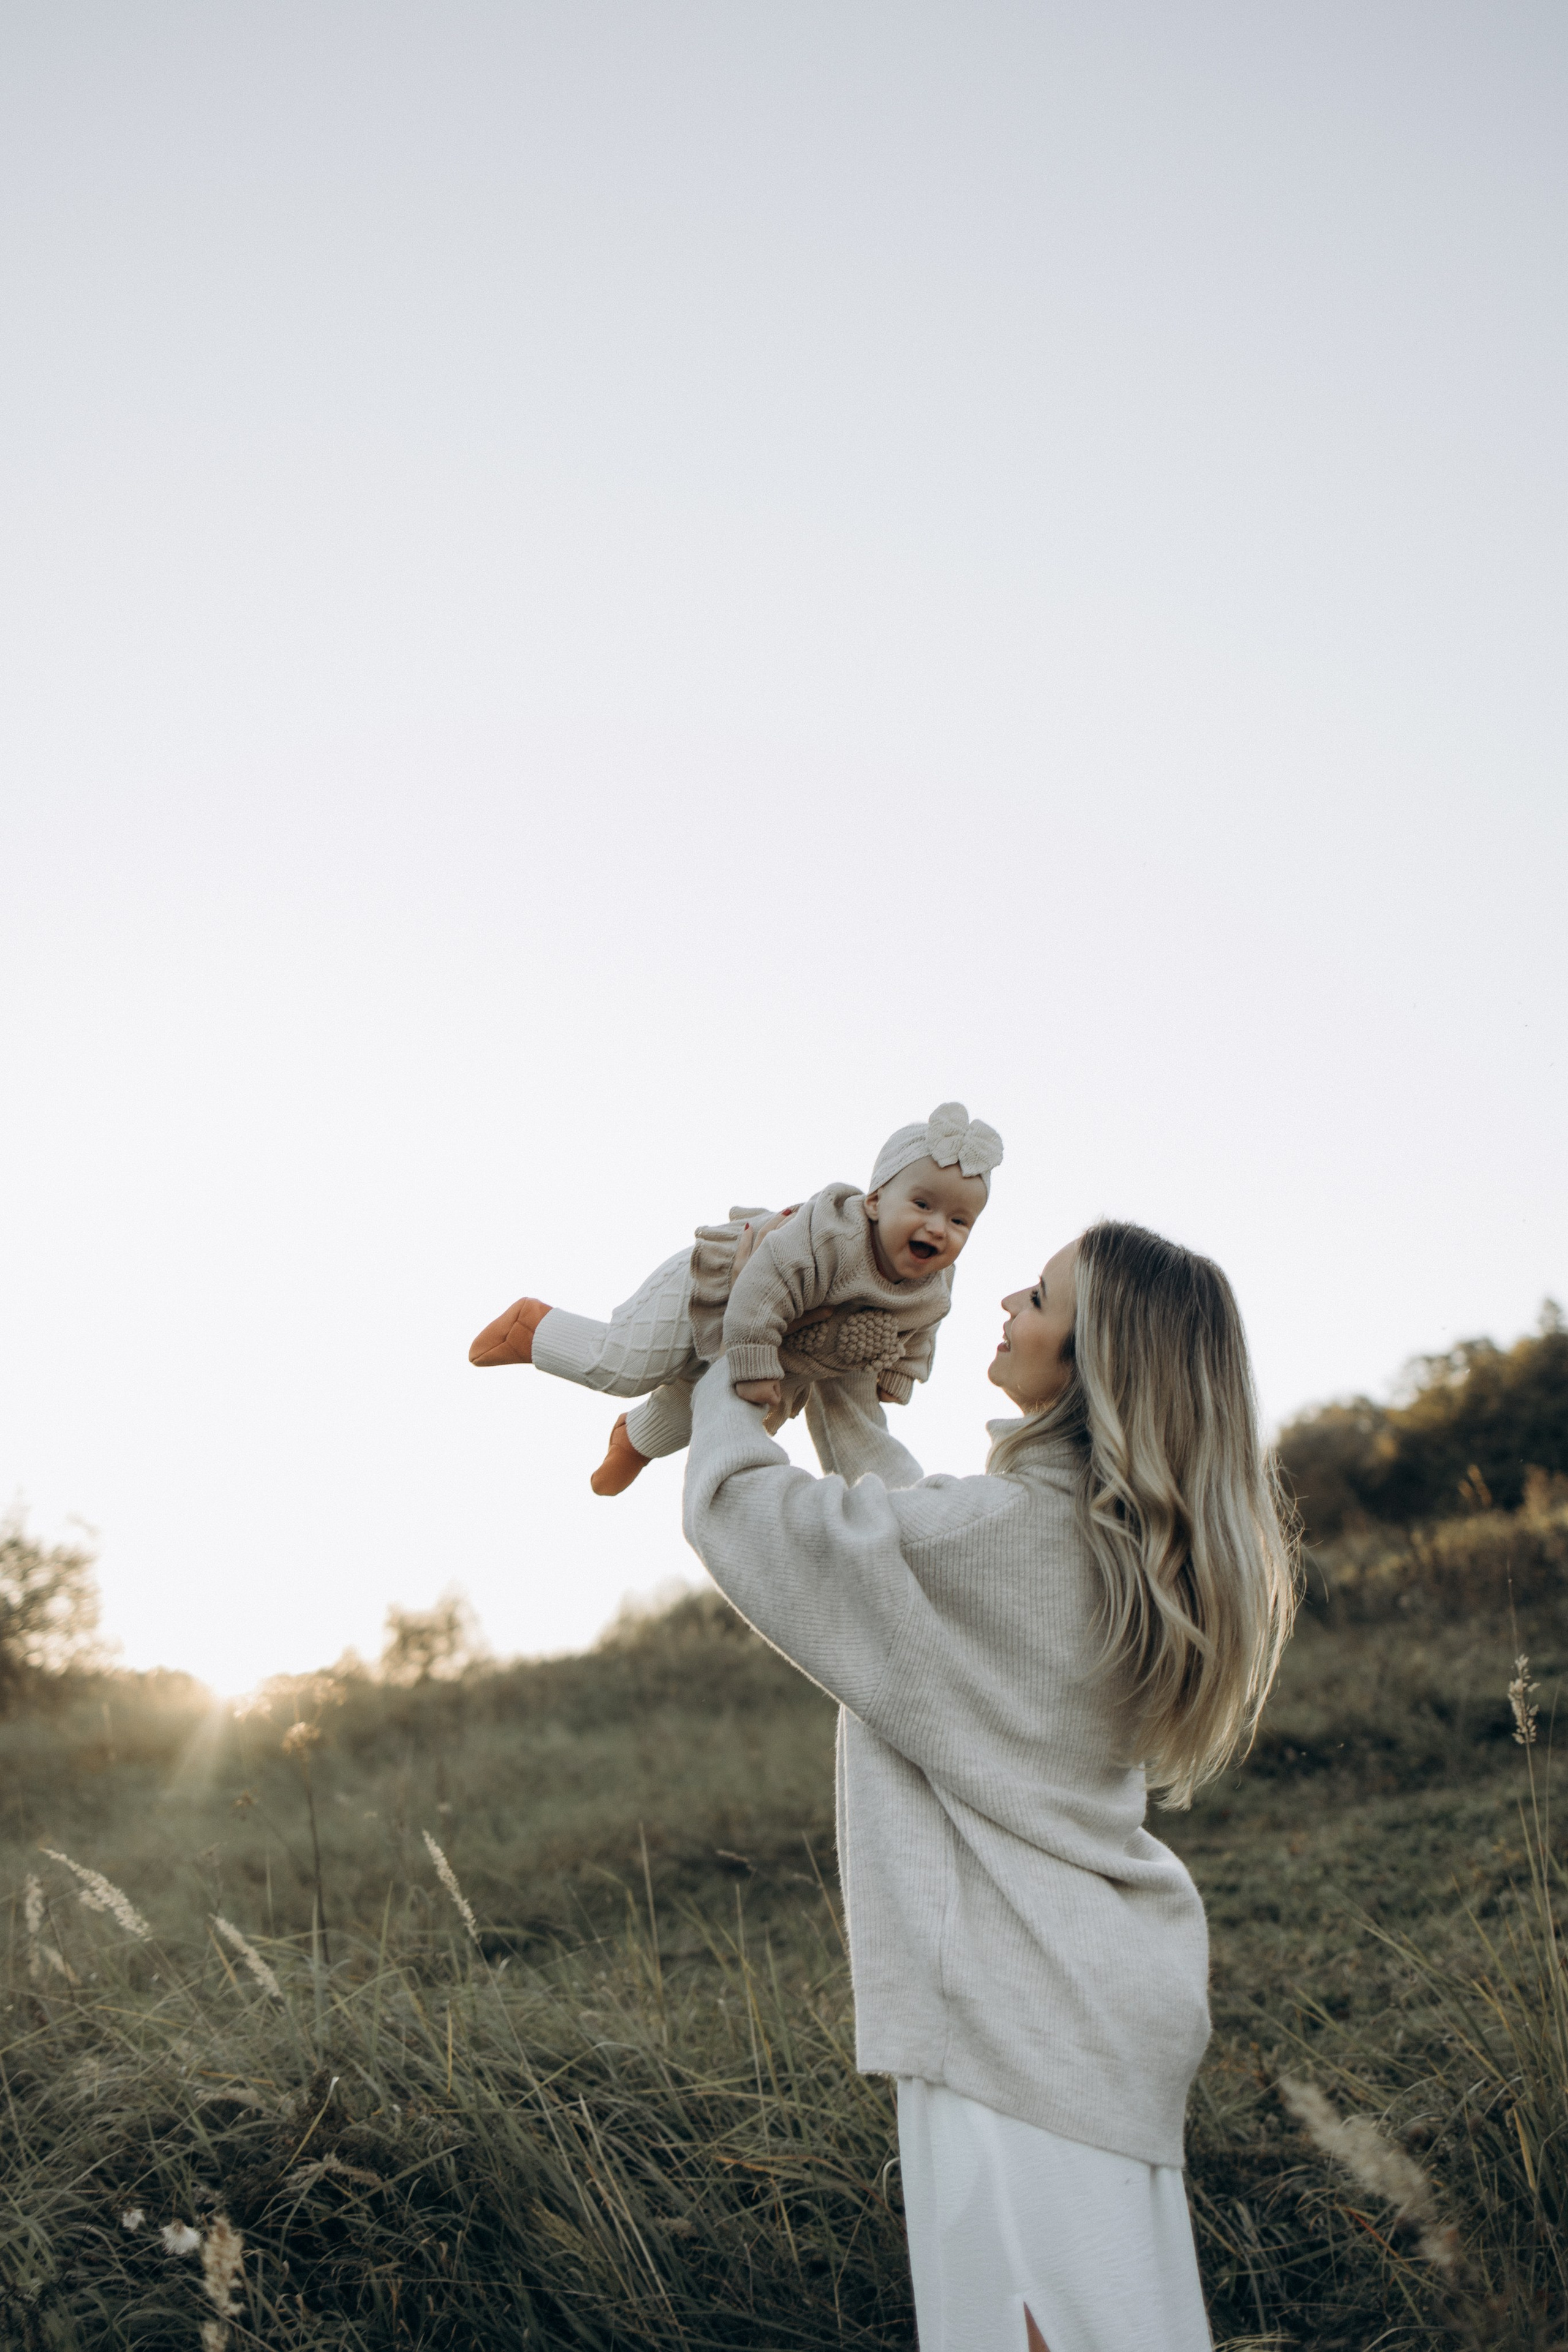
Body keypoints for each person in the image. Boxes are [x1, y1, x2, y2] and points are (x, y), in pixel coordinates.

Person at [682, 1219, 1298, 2352]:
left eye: (1044, 1296)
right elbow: (922, 1534)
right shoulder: (1102, 1537)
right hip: (1091, 2002)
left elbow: (743, 1518)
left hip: (1010, 2008)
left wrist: (742, 1354)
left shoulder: (1012, 1532)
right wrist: (840, 1395)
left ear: (1090, 1361)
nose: (1008, 1300)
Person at [466, 1102, 1002, 1494]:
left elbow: (925, 1327)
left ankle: (633, 1441)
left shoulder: (934, 1282)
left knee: (696, 1415)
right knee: (625, 1366)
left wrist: (903, 1371)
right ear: (877, 1199)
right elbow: (764, 1285)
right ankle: (532, 1328)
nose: (939, 1229)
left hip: (786, 1340)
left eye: (959, 1221)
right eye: (924, 1204)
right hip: (725, 1284)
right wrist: (751, 1358)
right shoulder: (830, 1236)